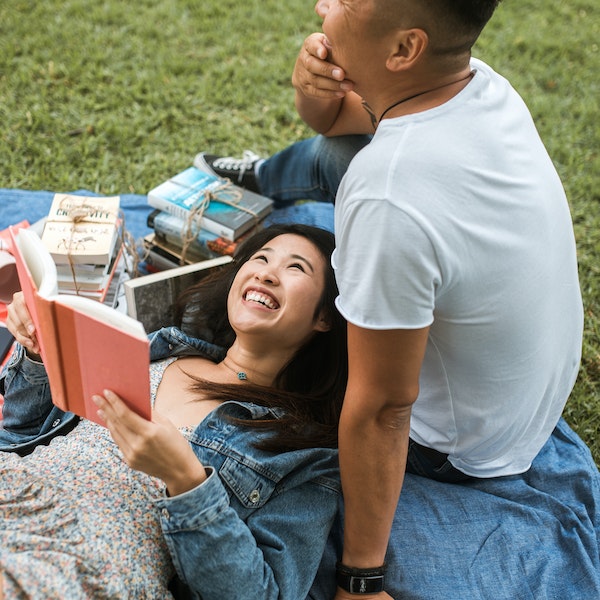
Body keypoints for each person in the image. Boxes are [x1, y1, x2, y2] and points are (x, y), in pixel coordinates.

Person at [200, 1, 590, 598]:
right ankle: (261, 176)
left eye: (344, 0)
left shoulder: (388, 195)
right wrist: (314, 92)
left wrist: (361, 577)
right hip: (525, 399)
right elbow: (336, 125)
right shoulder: (477, 83)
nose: (321, 6)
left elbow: (384, 409)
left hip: (453, 450)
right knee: (336, 155)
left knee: (266, 488)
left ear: (404, 49)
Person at [0, 223, 348, 599]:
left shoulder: (305, 455)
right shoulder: (159, 348)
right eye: (261, 258)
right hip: (15, 491)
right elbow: (19, 433)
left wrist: (186, 481)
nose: (266, 272)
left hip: (83, 563)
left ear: (325, 316)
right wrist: (36, 353)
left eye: (295, 268)